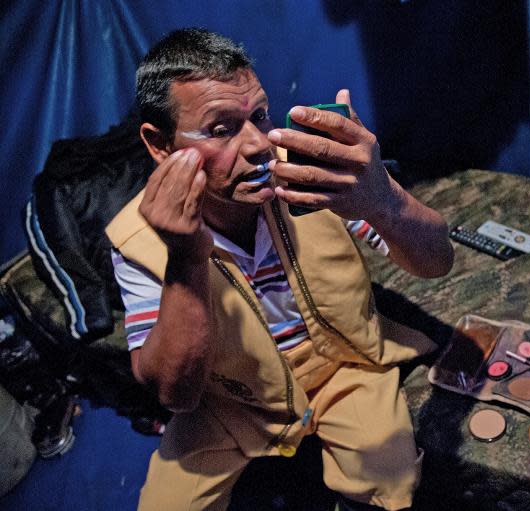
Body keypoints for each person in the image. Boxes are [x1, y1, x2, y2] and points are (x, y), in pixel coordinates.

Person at [106, 28, 453, 511]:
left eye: (260, 116)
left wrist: (384, 200)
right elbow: (176, 394)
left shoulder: (310, 174)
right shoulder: (138, 239)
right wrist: (185, 257)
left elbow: (438, 262)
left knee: (391, 486)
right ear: (160, 145)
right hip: (229, 400)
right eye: (221, 129)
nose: (257, 145)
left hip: (343, 366)